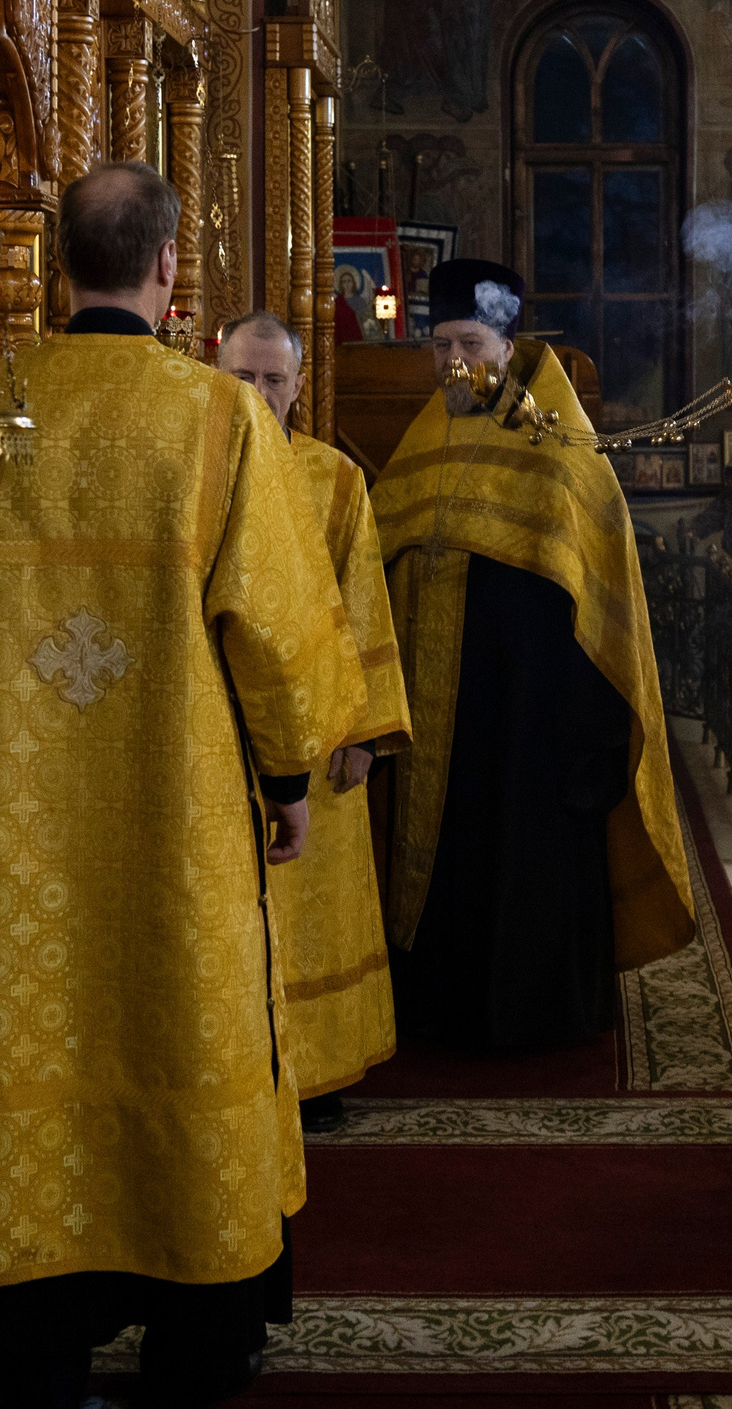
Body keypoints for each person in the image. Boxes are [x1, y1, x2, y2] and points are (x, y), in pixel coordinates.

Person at [0, 164, 361, 1409]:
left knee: (30, 1020)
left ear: (58, 269)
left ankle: (35, 1341)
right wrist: (289, 774)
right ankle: (200, 1333)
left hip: (15, 821)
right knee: (185, 1025)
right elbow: (278, 633)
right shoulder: (218, 420)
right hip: (183, 817)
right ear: (166, 269)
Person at [368, 258, 695, 1050]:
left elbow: (596, 579)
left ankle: (531, 1018)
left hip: (532, 711)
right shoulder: (427, 430)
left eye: (470, 341)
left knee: (521, 858)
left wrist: (582, 734)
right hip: (439, 703)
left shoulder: (556, 436)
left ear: (509, 344)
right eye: (440, 343)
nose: (453, 362)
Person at [217, 310, 412, 1126]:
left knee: (312, 904)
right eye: (242, 376)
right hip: (221, 725)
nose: (258, 393)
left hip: (319, 729)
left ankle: (321, 1070)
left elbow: (362, 601)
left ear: (300, 385)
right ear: (213, 372)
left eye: (273, 378)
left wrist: (365, 731)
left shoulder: (336, 479)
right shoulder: (196, 470)